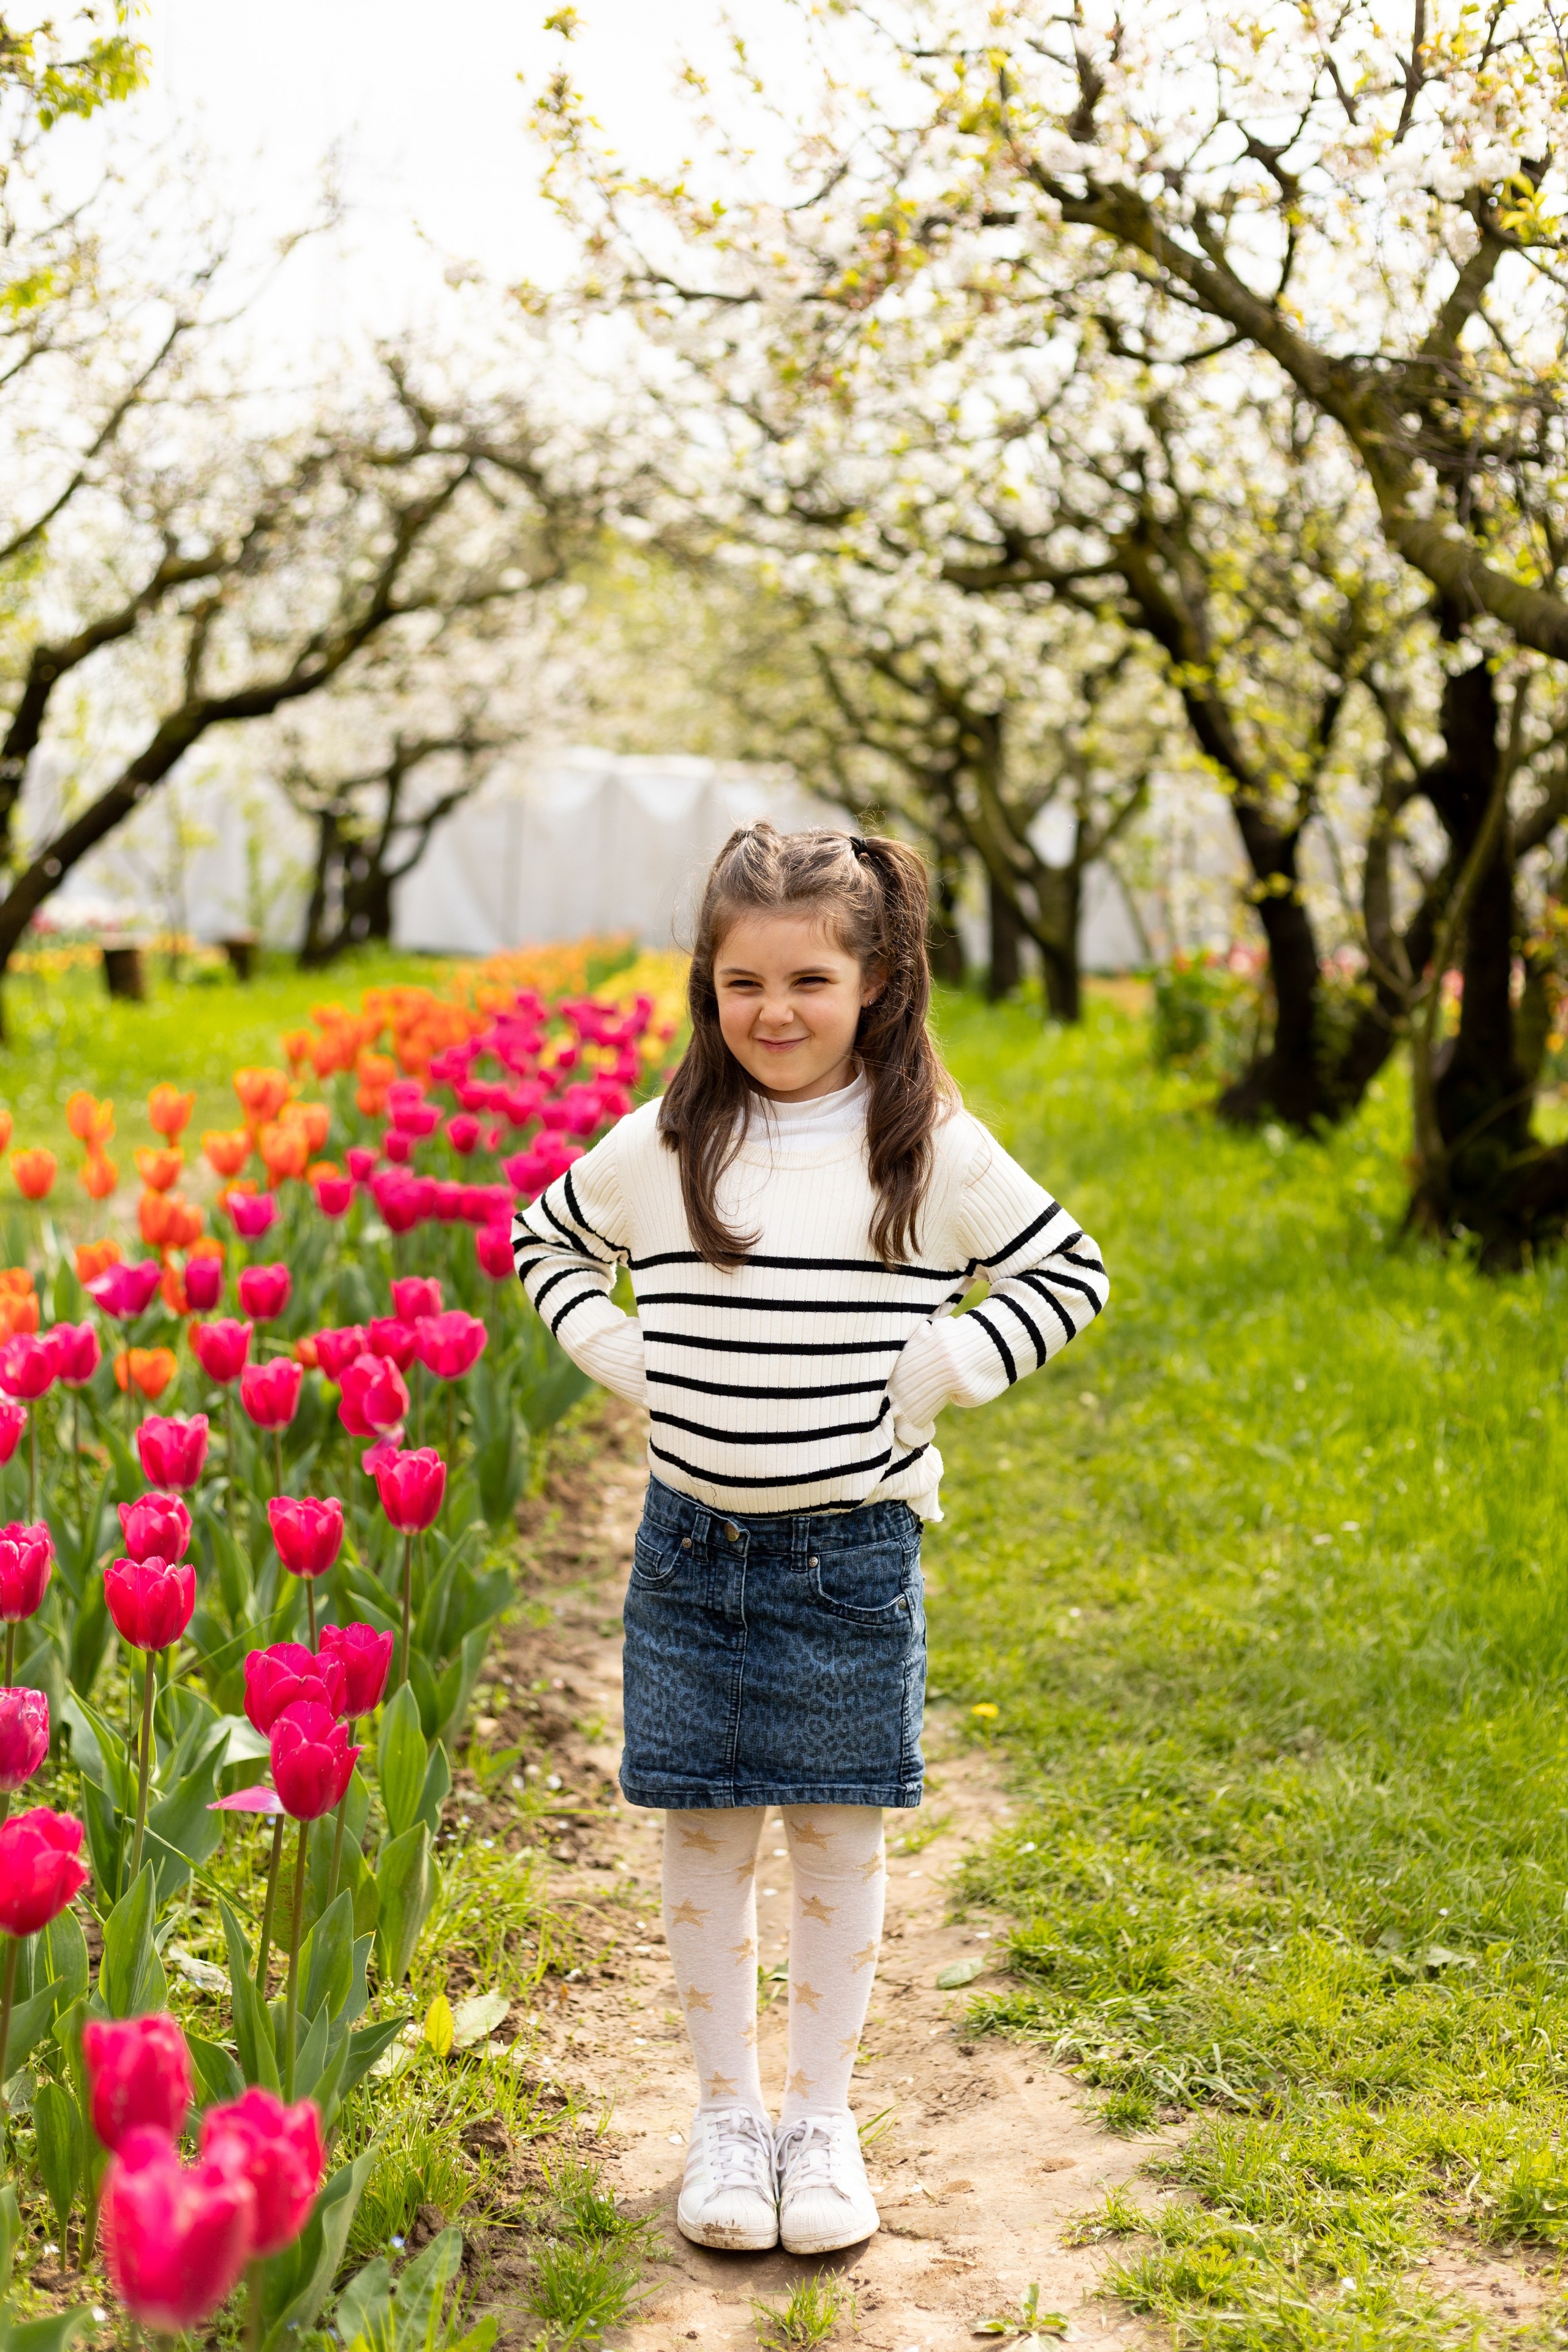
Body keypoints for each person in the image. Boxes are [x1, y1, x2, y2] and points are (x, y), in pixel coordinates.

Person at [510, 824, 1107, 2257]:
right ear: (706, 985)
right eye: (742, 983)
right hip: (689, 1554)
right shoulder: (666, 1142)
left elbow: (1065, 1271)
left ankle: (820, 2119)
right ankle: (726, 2115)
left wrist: (950, 1364)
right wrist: (619, 1354)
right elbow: (543, 1240)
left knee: (837, 1838)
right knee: (707, 1833)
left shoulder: (922, 1144)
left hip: (849, 1559)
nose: (773, 1011)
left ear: (876, 981)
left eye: (809, 981)